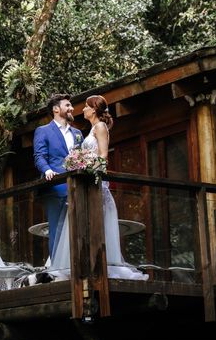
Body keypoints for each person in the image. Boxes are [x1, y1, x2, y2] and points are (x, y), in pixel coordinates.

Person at [48, 95, 148, 281]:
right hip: (87, 185)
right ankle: (84, 265)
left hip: (96, 185)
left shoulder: (100, 127)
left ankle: (97, 267)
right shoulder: (92, 129)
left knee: (95, 224)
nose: (83, 110)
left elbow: (103, 158)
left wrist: (86, 167)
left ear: (93, 110)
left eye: (86, 107)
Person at [33, 94, 83, 258]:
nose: (71, 108)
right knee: (58, 229)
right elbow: (39, 156)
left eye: (71, 106)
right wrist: (47, 170)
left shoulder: (77, 133)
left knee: (79, 229)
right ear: (56, 109)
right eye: (67, 105)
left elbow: (82, 157)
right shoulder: (43, 131)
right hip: (55, 188)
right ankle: (57, 270)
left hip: (77, 188)